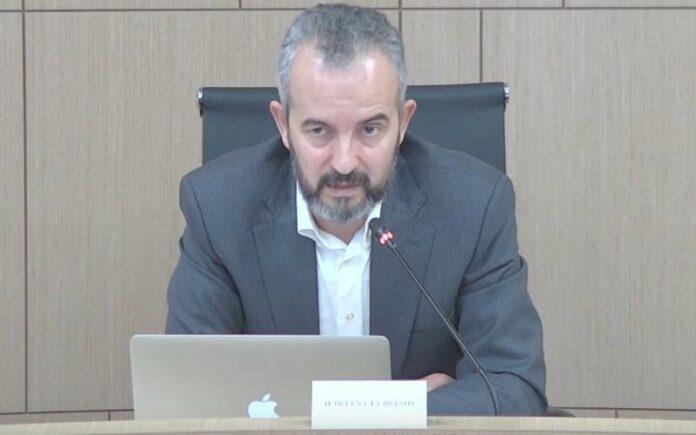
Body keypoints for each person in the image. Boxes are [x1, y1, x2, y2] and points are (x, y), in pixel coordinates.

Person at [165, 3, 547, 415]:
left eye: (370, 129)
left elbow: (514, 388)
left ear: (403, 122)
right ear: (283, 125)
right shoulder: (218, 210)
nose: (345, 162)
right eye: (319, 130)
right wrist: (402, 403)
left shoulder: (473, 206)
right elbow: (188, 392)